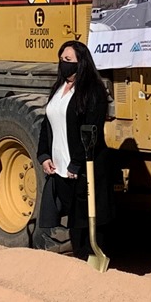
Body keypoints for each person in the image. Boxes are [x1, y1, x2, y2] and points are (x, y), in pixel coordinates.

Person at [36, 40, 110, 259]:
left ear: (81, 63)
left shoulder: (92, 91)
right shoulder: (58, 88)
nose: (63, 64)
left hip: (82, 169)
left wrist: (77, 162)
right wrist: (44, 155)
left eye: (68, 60)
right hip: (59, 170)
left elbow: (91, 130)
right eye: (61, 59)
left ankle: (92, 264)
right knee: (73, 225)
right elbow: (47, 123)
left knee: (87, 224)